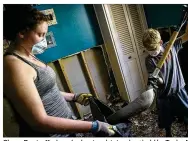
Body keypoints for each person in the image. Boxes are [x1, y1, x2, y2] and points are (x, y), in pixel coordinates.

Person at [3, 4, 115, 137]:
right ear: (21, 33)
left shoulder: (28, 55)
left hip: (65, 127)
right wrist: (94, 126)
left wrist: (74, 97)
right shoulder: (14, 66)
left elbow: (45, 90)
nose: (44, 39)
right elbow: (39, 122)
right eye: (40, 34)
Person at [142, 6, 188, 137]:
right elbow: (158, 78)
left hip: (178, 90)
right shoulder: (149, 60)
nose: (151, 52)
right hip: (163, 96)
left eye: (153, 48)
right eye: (148, 49)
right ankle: (168, 135)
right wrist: (156, 81)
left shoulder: (170, 46)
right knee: (165, 121)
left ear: (160, 42)